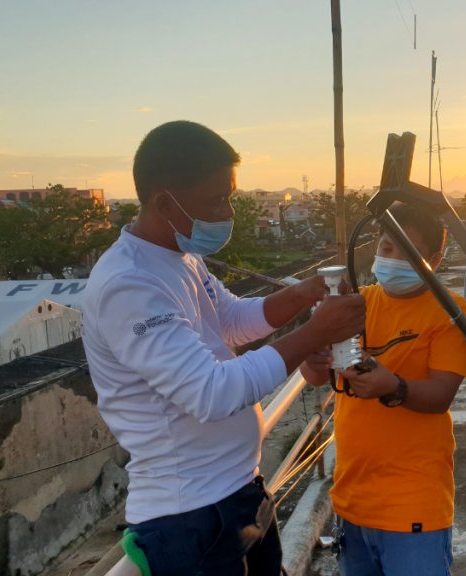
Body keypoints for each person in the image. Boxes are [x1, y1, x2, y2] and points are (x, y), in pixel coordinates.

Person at [81, 120, 366, 575]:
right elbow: (209, 394)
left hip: (238, 495)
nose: (228, 211)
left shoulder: (180, 257)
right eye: (218, 199)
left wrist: (299, 296)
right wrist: (313, 334)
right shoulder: (128, 284)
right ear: (164, 202)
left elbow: (230, 322)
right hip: (190, 519)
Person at [301, 205, 466, 576]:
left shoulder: (450, 312)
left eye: (404, 251)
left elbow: (441, 395)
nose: (389, 258)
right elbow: (314, 376)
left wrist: (393, 386)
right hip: (352, 499)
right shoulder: (357, 305)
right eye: (385, 247)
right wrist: (314, 354)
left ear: (434, 258)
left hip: (413, 503)